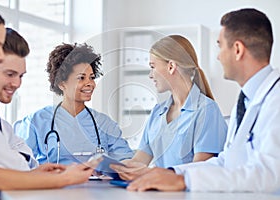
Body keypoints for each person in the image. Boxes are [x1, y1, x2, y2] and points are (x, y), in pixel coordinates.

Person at [126, 8, 280, 193]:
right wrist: (173, 173)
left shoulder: (275, 100)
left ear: (237, 49)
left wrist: (185, 180)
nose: (218, 56)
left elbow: (270, 175)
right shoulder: (246, 100)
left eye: (220, 46)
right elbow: (226, 162)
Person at [0, 5, 97, 200]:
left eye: (21, 76)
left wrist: (34, 172)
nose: (17, 83)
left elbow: (22, 159)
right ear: (61, 83)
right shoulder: (34, 119)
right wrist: (65, 178)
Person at [111, 35, 227, 180]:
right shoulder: (157, 112)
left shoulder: (207, 110)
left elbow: (200, 170)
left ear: (171, 67)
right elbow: (139, 162)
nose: (150, 75)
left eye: (153, 67)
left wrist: (153, 174)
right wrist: (110, 167)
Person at [16, 43, 133, 166]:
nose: (90, 83)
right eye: (81, 78)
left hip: (98, 185)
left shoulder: (104, 123)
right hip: (53, 184)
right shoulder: (36, 121)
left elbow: (125, 159)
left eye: (92, 78)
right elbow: (21, 164)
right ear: (61, 83)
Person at [0, 27, 38, 171]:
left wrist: (15, 157)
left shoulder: (1, 123)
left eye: (21, 76)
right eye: (10, 74)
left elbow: (30, 161)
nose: (17, 84)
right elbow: (9, 165)